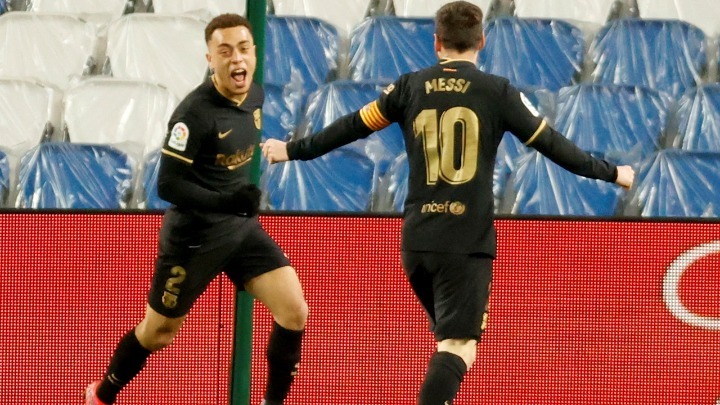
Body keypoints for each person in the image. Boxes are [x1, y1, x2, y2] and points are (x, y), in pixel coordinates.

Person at [261, 1, 635, 404]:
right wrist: (611, 172)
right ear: (482, 41)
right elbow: (553, 145)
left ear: (436, 42)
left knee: (447, 344)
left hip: (417, 243)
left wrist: (293, 150)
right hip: (465, 243)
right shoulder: (497, 92)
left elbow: (351, 126)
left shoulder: (409, 87)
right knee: (459, 347)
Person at [84, 14, 308, 405]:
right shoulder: (193, 115)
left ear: (254, 53)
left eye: (243, 49)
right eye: (225, 51)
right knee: (158, 333)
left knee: (294, 311)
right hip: (193, 238)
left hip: (239, 230)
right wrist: (227, 200)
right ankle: (101, 395)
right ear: (210, 59)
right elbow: (167, 185)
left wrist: (235, 204)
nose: (236, 58)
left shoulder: (255, 96)